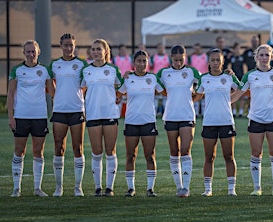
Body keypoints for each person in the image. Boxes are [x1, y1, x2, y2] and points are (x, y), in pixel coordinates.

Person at [232, 44, 273, 196]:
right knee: (256, 153)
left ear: (271, 57)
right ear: (256, 57)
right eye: (261, 55)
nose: (264, 58)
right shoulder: (250, 75)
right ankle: (257, 188)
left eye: (267, 55)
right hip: (255, 118)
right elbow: (236, 95)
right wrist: (220, 101)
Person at [7, 40, 55, 197]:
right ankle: (16, 188)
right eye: (28, 51)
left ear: (38, 52)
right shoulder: (17, 70)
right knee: (19, 151)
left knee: (38, 152)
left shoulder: (45, 70)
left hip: (39, 116)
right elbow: (10, 95)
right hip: (21, 116)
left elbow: (53, 92)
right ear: (24, 53)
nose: (30, 54)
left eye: (33, 51)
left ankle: (37, 188)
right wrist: (11, 117)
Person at [156, 44, 201, 197]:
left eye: (181, 60)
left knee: (185, 150)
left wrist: (194, 98)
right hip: (170, 116)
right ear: (171, 59)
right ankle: (179, 186)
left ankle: (186, 188)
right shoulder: (163, 73)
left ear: (185, 57)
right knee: (174, 152)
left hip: (187, 115)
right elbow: (152, 84)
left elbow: (205, 83)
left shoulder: (191, 72)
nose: (178, 63)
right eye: (175, 60)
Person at [118, 50, 164, 197]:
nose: (142, 64)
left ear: (148, 63)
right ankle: (131, 188)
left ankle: (150, 189)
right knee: (131, 156)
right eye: (139, 61)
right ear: (134, 62)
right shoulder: (128, 78)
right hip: (131, 121)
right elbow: (118, 94)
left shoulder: (153, 78)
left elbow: (166, 92)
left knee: (150, 156)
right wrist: (121, 77)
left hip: (148, 122)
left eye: (144, 61)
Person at [195, 48, 241, 196]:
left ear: (222, 62)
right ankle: (208, 189)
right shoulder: (204, 79)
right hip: (209, 122)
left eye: (218, 60)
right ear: (209, 62)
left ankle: (231, 189)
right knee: (209, 157)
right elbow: (197, 96)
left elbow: (241, 89)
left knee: (229, 156)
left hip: (226, 121)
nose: (215, 63)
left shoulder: (229, 77)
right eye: (213, 60)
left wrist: (230, 99)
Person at [81, 39, 123, 196]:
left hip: (110, 114)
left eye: (99, 49)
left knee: (110, 151)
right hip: (93, 114)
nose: (96, 52)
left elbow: (122, 87)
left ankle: (109, 188)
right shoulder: (86, 70)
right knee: (96, 151)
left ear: (106, 51)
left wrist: (116, 97)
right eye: (93, 49)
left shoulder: (113, 69)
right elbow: (81, 88)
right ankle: (97, 188)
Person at [50, 33, 88, 197]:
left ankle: (78, 187)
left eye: (71, 45)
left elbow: (86, 84)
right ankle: (59, 187)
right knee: (59, 146)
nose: (68, 48)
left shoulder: (82, 64)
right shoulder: (54, 64)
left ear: (75, 46)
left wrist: (78, 95)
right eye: (65, 45)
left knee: (77, 148)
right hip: (59, 111)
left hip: (77, 110)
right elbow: (49, 81)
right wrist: (55, 95)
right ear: (61, 45)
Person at [150, 43, 171, 116]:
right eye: (159, 48)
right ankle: (154, 112)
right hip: (156, 79)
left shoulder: (168, 57)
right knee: (155, 96)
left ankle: (166, 112)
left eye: (162, 48)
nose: (160, 49)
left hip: (165, 79)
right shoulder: (153, 57)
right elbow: (150, 67)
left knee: (165, 95)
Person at [188, 43, 208, 117]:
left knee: (203, 95)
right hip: (194, 79)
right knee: (195, 94)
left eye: (198, 48)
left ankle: (203, 112)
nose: (196, 50)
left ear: (200, 48)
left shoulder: (205, 56)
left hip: (203, 78)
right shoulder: (191, 57)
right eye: (195, 48)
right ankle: (195, 112)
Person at [228, 42, 246, 117]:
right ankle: (234, 111)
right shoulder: (231, 58)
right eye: (236, 48)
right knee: (233, 94)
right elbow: (229, 67)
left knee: (242, 95)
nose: (238, 50)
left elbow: (245, 67)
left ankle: (241, 111)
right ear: (233, 49)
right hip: (233, 79)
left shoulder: (242, 57)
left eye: (239, 48)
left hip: (241, 78)